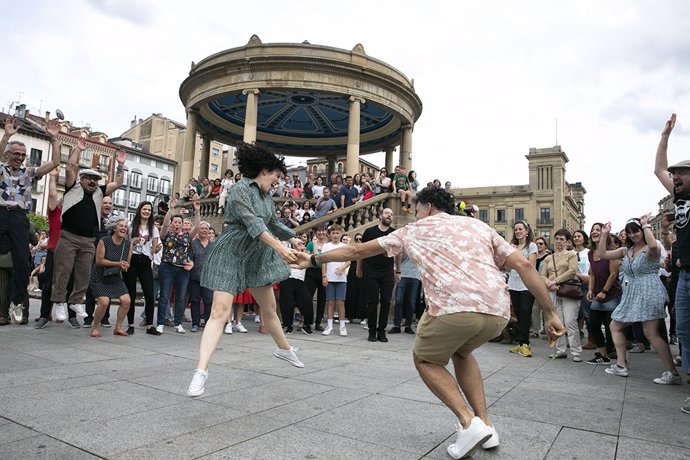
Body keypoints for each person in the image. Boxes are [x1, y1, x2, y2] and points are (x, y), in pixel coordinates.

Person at [291, 187, 565, 458]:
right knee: (462, 351)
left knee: (426, 360)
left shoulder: (414, 230)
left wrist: (314, 259)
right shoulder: (478, 227)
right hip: (497, 312)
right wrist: (551, 312)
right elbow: (525, 266)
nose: (414, 213)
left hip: (453, 307)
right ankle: (487, 427)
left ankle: (468, 423)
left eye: (417, 208)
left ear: (429, 206)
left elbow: (355, 251)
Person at [187, 143, 306, 398]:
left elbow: (272, 222)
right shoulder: (241, 189)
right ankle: (201, 371)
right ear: (265, 170)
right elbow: (253, 223)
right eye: (277, 176)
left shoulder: (265, 196)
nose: (277, 182)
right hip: (232, 251)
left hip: (257, 254)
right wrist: (280, 248)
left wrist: (293, 238)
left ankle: (284, 349)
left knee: (269, 309)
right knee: (219, 311)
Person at [596, 217, 681, 384]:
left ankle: (672, 373)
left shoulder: (650, 249)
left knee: (651, 333)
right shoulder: (626, 250)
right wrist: (604, 235)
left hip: (649, 290)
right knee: (615, 325)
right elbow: (602, 254)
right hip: (632, 293)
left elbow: (655, 245)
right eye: (629, 232)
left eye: (636, 231)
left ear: (642, 231)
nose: (633, 234)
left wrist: (646, 224)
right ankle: (621, 365)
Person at [51, 140, 126, 322]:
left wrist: (120, 165)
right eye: (90, 179)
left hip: (88, 239)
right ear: (82, 179)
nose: (93, 182)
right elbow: (70, 168)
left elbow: (117, 183)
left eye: (96, 179)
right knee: (63, 269)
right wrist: (77, 149)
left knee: (85, 272)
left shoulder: (100, 191)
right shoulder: (72, 187)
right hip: (68, 236)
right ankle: (59, 302)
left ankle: (76, 301)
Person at [0, 115, 62, 322]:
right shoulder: (1, 169)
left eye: (23, 155)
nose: (19, 157)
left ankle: (17, 304)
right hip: (0, 213)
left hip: (18, 217)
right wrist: (7, 135)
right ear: (8, 155)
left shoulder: (29, 173)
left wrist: (54, 139)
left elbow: (55, 162)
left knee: (21, 262)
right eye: (16, 154)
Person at [653, 113, 690, 413]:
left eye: (683, 173)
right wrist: (665, 136)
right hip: (684, 274)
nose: (675, 177)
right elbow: (659, 168)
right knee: (685, 330)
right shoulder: (678, 200)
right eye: (675, 174)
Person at [157, 196, 200, 334]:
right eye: (174, 222)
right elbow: (164, 226)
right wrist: (170, 209)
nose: (176, 224)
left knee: (180, 298)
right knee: (164, 296)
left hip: (182, 269)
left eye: (179, 222)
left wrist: (197, 211)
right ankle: (160, 323)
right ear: (171, 224)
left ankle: (178, 323)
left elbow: (197, 227)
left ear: (182, 225)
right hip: (167, 267)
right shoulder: (166, 234)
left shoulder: (187, 236)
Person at [540, 228, 583, 361]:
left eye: (562, 239)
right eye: (557, 238)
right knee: (557, 321)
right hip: (553, 291)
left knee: (570, 321)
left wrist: (555, 281)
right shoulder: (548, 258)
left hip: (568, 290)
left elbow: (572, 271)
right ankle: (560, 350)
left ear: (567, 242)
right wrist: (548, 283)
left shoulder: (572, 255)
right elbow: (542, 274)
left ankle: (576, 351)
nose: (559, 241)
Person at [88, 215, 132, 338]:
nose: (124, 228)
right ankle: (95, 327)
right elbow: (99, 261)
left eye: (125, 226)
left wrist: (124, 266)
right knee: (104, 302)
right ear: (114, 227)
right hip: (100, 275)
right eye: (121, 226)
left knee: (126, 300)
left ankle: (118, 327)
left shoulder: (127, 244)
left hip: (115, 276)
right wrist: (117, 263)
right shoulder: (104, 240)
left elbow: (126, 264)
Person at [585, 222, 621, 364]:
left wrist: (604, 291)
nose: (594, 232)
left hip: (612, 294)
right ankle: (603, 354)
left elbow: (613, 274)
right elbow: (592, 275)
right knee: (593, 324)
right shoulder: (590, 253)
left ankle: (615, 354)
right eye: (593, 230)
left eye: (598, 230)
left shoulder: (611, 251)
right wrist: (590, 290)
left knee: (610, 326)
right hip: (598, 294)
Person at [359, 208, 396, 343]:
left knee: (386, 301)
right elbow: (361, 251)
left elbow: (398, 253)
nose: (389, 215)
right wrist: (359, 268)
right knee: (372, 301)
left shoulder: (394, 233)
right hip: (371, 270)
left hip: (387, 271)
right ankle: (372, 331)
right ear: (380, 216)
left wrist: (397, 271)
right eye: (387, 213)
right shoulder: (370, 232)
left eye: (391, 214)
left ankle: (382, 331)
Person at [124, 201, 161, 336]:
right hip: (132, 259)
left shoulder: (153, 229)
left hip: (146, 260)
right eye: (144, 209)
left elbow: (155, 249)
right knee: (131, 293)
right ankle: (130, 324)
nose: (146, 212)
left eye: (149, 210)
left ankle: (150, 325)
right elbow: (125, 242)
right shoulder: (130, 226)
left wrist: (157, 248)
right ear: (140, 210)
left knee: (150, 294)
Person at [507, 220, 538, 357]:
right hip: (513, 283)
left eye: (520, 229)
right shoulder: (512, 247)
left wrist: (515, 254)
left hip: (527, 284)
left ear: (526, 231)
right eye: (516, 229)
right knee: (518, 314)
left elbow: (530, 265)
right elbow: (507, 266)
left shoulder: (532, 246)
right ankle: (521, 343)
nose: (518, 231)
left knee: (526, 312)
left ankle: (526, 344)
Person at [321, 224, 350, 336]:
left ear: (340, 233)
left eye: (337, 233)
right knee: (330, 302)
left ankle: (342, 327)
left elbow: (349, 260)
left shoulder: (344, 246)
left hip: (341, 279)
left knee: (340, 302)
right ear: (330, 234)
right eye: (333, 233)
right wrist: (324, 276)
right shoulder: (326, 246)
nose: (335, 235)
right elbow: (323, 262)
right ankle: (330, 326)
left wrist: (342, 268)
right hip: (330, 277)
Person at [189, 221, 214, 333]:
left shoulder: (213, 245)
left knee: (208, 300)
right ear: (198, 230)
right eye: (202, 228)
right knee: (195, 300)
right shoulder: (193, 244)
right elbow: (189, 258)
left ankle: (208, 323)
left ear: (209, 231)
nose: (204, 230)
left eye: (206, 229)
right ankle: (195, 323)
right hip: (194, 277)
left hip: (208, 278)